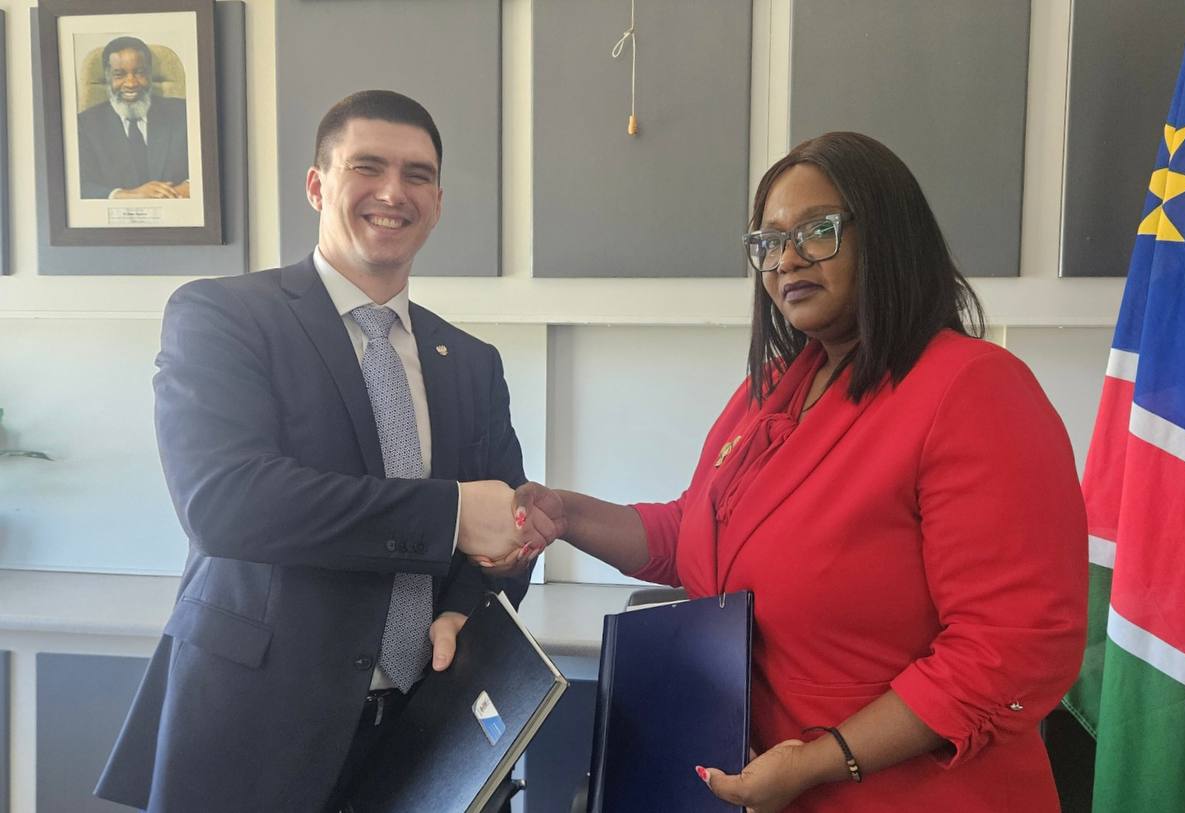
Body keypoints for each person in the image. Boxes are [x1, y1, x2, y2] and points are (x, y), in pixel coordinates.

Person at [504, 133, 1088, 811]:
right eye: (770, 240)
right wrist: (568, 515)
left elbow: (1010, 647)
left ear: (887, 235)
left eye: (818, 231)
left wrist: (820, 760)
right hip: (777, 788)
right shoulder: (778, 385)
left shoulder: (974, 389)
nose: (787, 259)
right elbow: (697, 533)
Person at [95, 90, 548, 812]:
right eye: (367, 166)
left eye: (418, 175)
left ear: (437, 201)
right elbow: (226, 503)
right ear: (317, 185)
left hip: (425, 736)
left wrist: (467, 607)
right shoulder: (224, 316)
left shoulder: (470, 360)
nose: (393, 192)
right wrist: (452, 514)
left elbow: (508, 533)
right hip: (255, 733)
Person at [77, 36, 190, 200]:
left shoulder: (183, 113)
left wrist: (183, 189)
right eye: (119, 75)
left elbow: (207, 167)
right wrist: (126, 196)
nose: (131, 83)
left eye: (139, 73)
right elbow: (80, 185)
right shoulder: (85, 125)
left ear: (149, 74)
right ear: (108, 77)